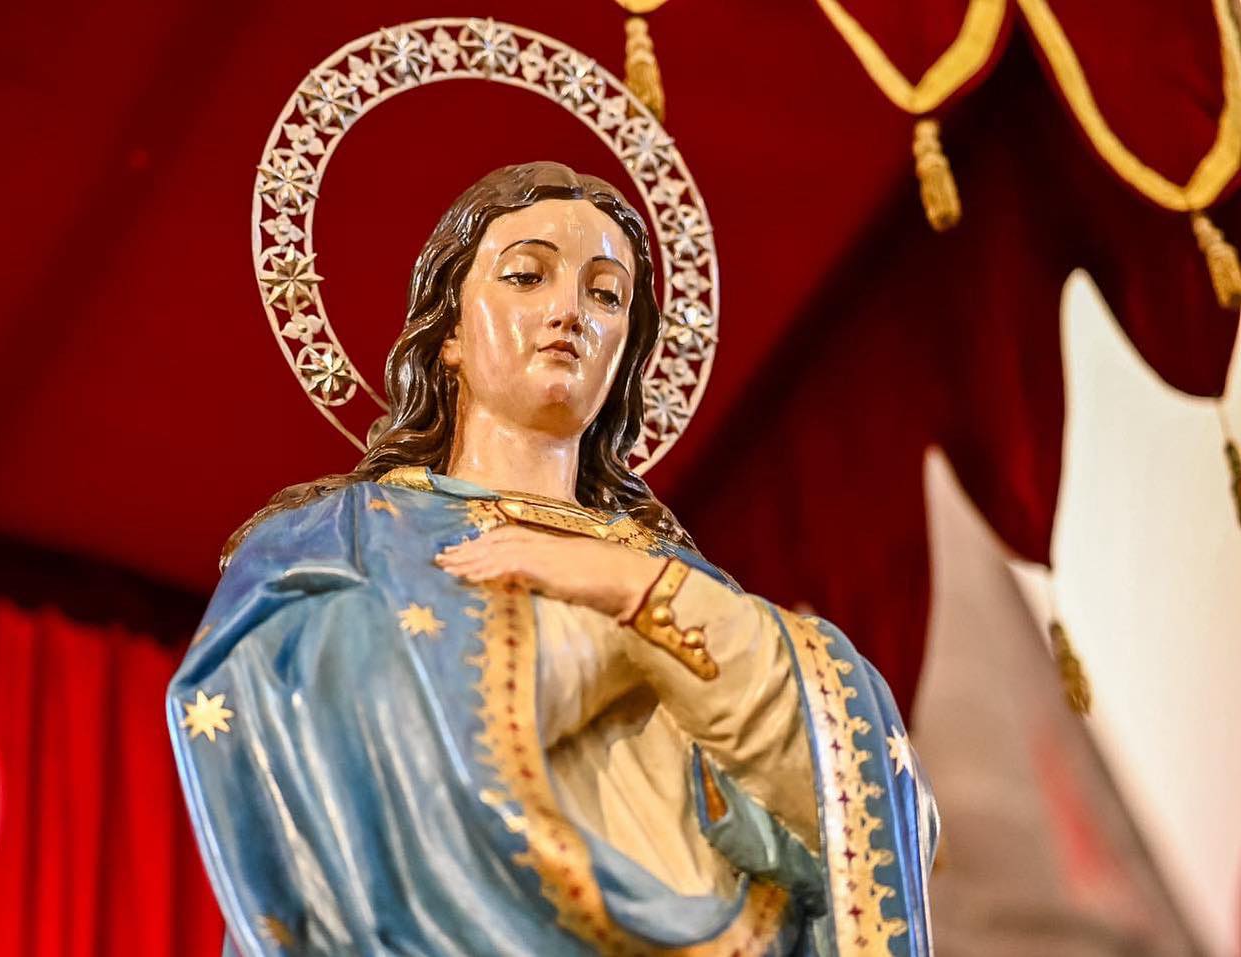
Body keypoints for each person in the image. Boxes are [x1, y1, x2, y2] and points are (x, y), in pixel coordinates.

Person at [169, 161, 937, 956]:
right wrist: (599, 639)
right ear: (450, 333)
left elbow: (869, 808)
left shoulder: (668, 575)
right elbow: (313, 740)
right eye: (527, 276)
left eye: (605, 295)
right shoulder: (343, 540)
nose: (569, 311)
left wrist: (640, 594)